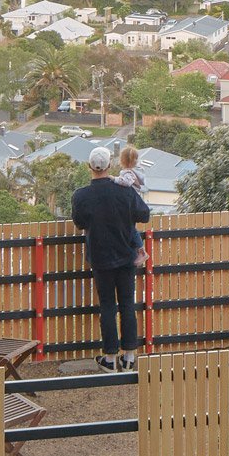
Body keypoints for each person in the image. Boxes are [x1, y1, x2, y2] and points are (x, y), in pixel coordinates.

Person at [71, 144, 150, 370]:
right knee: (127, 304)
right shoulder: (125, 191)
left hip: (100, 257)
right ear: (109, 165)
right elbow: (143, 214)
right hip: (126, 256)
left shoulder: (81, 196)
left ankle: (110, 358)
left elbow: (80, 223)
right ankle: (130, 357)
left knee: (107, 305)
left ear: (90, 167)